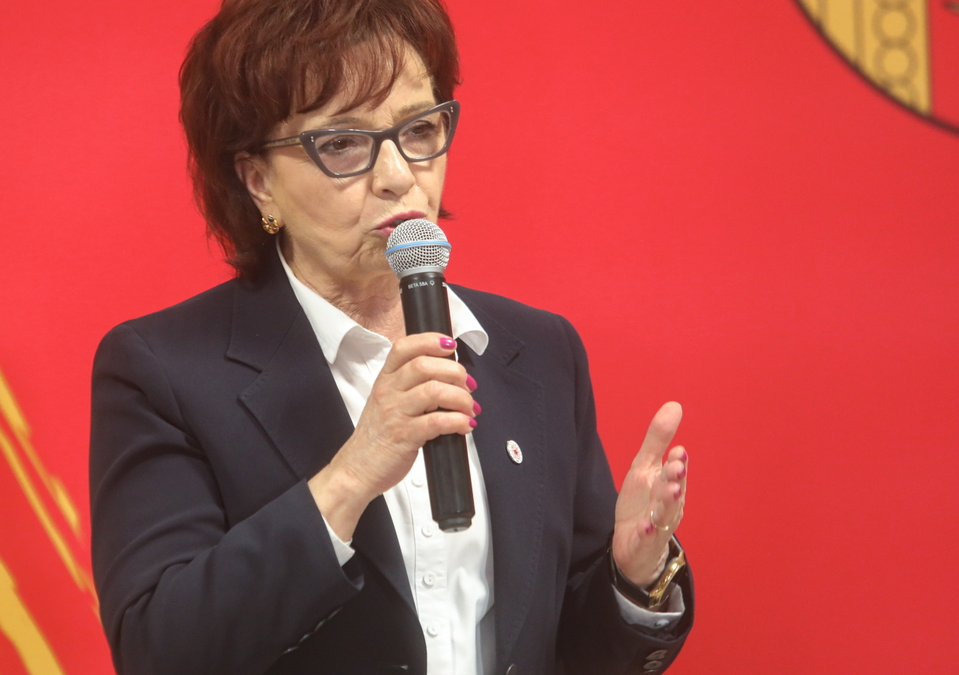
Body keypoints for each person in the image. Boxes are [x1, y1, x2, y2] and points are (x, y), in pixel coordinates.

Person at [89, 0, 694, 673]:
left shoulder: (539, 352)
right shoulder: (164, 371)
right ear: (258, 181)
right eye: (342, 144)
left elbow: (569, 648)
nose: (399, 175)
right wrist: (352, 475)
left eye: (419, 129)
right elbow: (159, 648)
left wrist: (632, 575)